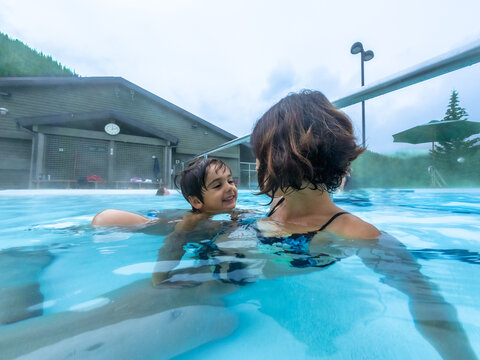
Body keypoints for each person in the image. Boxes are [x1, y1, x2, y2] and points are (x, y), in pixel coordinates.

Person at [250, 89, 477, 359]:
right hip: (262, 315)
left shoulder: (355, 232)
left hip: (318, 329)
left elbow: (426, 301)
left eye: (259, 155)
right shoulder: (276, 203)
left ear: (283, 156)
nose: (255, 166)